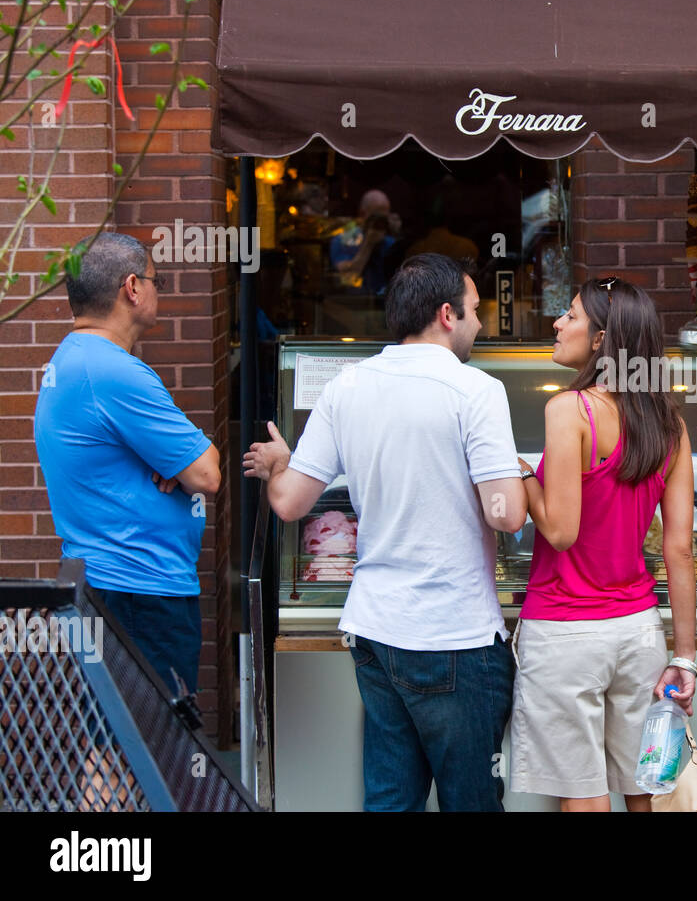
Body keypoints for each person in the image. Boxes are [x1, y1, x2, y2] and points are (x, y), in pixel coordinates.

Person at [243, 254, 527, 811]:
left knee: (390, 799)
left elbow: (290, 504)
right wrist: (517, 471)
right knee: (471, 800)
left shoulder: (347, 386)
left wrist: (281, 463)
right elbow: (507, 516)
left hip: (375, 631)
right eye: (473, 311)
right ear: (447, 314)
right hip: (456, 637)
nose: (480, 324)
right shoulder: (477, 390)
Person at [510, 276, 697, 812]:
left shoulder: (570, 410)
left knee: (584, 796)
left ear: (600, 340)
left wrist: (523, 475)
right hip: (639, 633)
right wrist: (685, 658)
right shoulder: (670, 423)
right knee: (643, 791)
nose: (556, 323)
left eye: (569, 315)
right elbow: (679, 552)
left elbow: (561, 530)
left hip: (565, 631)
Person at [35, 232, 221, 697]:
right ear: (132, 287)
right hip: (139, 592)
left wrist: (172, 460)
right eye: (158, 281)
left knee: (117, 744)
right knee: (150, 753)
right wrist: (186, 460)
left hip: (110, 586)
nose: (160, 291)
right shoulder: (114, 371)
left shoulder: (74, 358)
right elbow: (206, 474)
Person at [329, 189, 400, 292]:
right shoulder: (346, 239)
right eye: (376, 217)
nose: (381, 223)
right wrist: (368, 244)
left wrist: (397, 234)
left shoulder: (390, 242)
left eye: (385, 218)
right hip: (355, 302)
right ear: (363, 214)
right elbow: (348, 279)